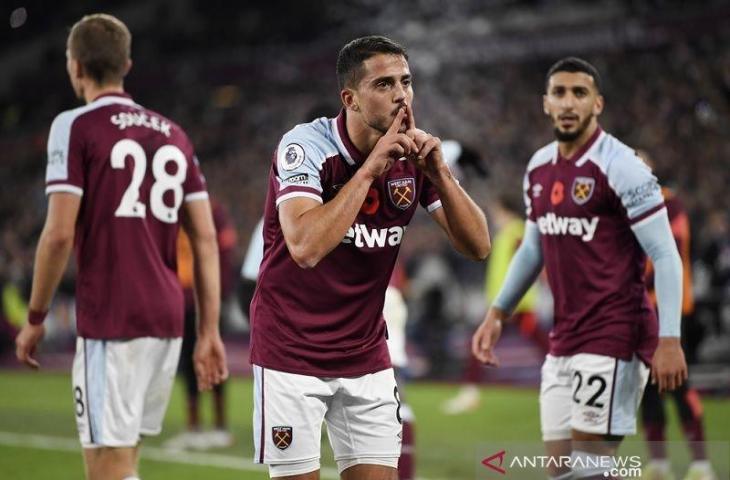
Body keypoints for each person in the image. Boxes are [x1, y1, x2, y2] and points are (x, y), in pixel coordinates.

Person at [249, 36, 490, 480]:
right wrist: (370, 169)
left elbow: (479, 246)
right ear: (351, 99)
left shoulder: (415, 157)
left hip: (365, 356)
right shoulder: (306, 147)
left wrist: (439, 173)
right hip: (291, 353)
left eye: (406, 82)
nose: (401, 94)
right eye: (383, 84)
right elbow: (305, 247)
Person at [14, 14, 228, 480]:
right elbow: (206, 236)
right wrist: (208, 329)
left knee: (106, 467)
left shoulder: (75, 126)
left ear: (74, 67)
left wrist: (35, 318)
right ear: (126, 64)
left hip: (112, 316)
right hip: (167, 318)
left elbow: (58, 234)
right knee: (126, 460)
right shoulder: (174, 134)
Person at [472, 57, 687, 480]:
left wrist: (670, 339)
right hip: (564, 338)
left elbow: (665, 254)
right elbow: (533, 247)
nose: (568, 102)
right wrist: (498, 313)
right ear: (546, 103)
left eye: (579, 93)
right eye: (559, 93)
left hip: (615, 334)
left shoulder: (623, 167)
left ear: (598, 104)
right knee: (561, 471)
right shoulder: (537, 168)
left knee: (589, 469)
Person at [636, 151, 716, 480]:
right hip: (639, 311)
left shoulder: (670, 204)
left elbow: (670, 249)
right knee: (648, 388)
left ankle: (701, 463)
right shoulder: (625, 209)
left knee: (679, 382)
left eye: (640, 162)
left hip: (670, 310)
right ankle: (660, 464)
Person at [443, 193, 545, 415]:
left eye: (496, 211)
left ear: (504, 209)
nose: (493, 216)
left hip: (516, 306)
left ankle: (470, 393)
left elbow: (529, 267)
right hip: (506, 306)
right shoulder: (509, 234)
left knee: (480, 343)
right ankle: (470, 393)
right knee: (542, 346)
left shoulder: (517, 233)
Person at [165, 201, 237, 451]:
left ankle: (219, 426)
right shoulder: (169, 206)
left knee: (214, 359)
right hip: (180, 296)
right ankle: (194, 427)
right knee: (186, 364)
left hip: (206, 296)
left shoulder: (213, 210)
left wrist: (221, 294)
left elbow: (225, 252)